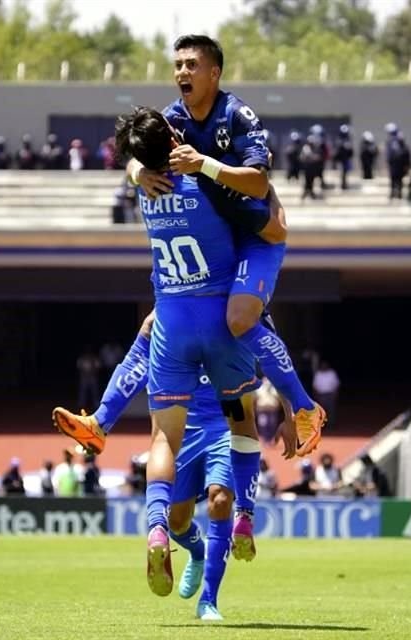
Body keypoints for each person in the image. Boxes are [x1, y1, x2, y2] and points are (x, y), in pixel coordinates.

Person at [56, 106, 289, 597]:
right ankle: (240, 516)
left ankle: (154, 521)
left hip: (175, 322)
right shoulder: (202, 184)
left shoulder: (147, 190)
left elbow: (139, 164)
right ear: (175, 139)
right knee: (243, 415)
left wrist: (138, 168)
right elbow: (270, 225)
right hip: (220, 322)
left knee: (162, 439)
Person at [124, 34, 325, 455]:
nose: (182, 72)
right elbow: (133, 150)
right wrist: (137, 172)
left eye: (191, 65)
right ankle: (100, 422)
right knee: (153, 324)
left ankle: (304, 407)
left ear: (214, 72)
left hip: (256, 235)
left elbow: (259, 181)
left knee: (238, 318)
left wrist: (205, 165)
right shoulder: (171, 117)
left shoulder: (236, 114)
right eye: (177, 64)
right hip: (218, 242)